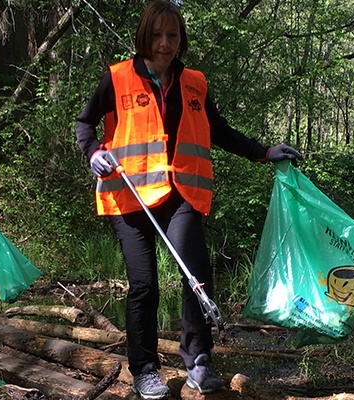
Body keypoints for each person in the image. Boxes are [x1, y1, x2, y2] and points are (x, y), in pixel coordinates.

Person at [73, 2, 303, 398]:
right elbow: (84, 122)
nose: (165, 44)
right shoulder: (117, 78)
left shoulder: (194, 82)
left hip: (179, 193)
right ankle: (144, 369)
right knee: (143, 285)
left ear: (181, 38)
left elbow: (221, 131)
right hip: (129, 196)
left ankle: (198, 361)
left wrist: (264, 152)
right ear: (144, 36)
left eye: (173, 36)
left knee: (195, 270)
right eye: (157, 35)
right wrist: (93, 151)